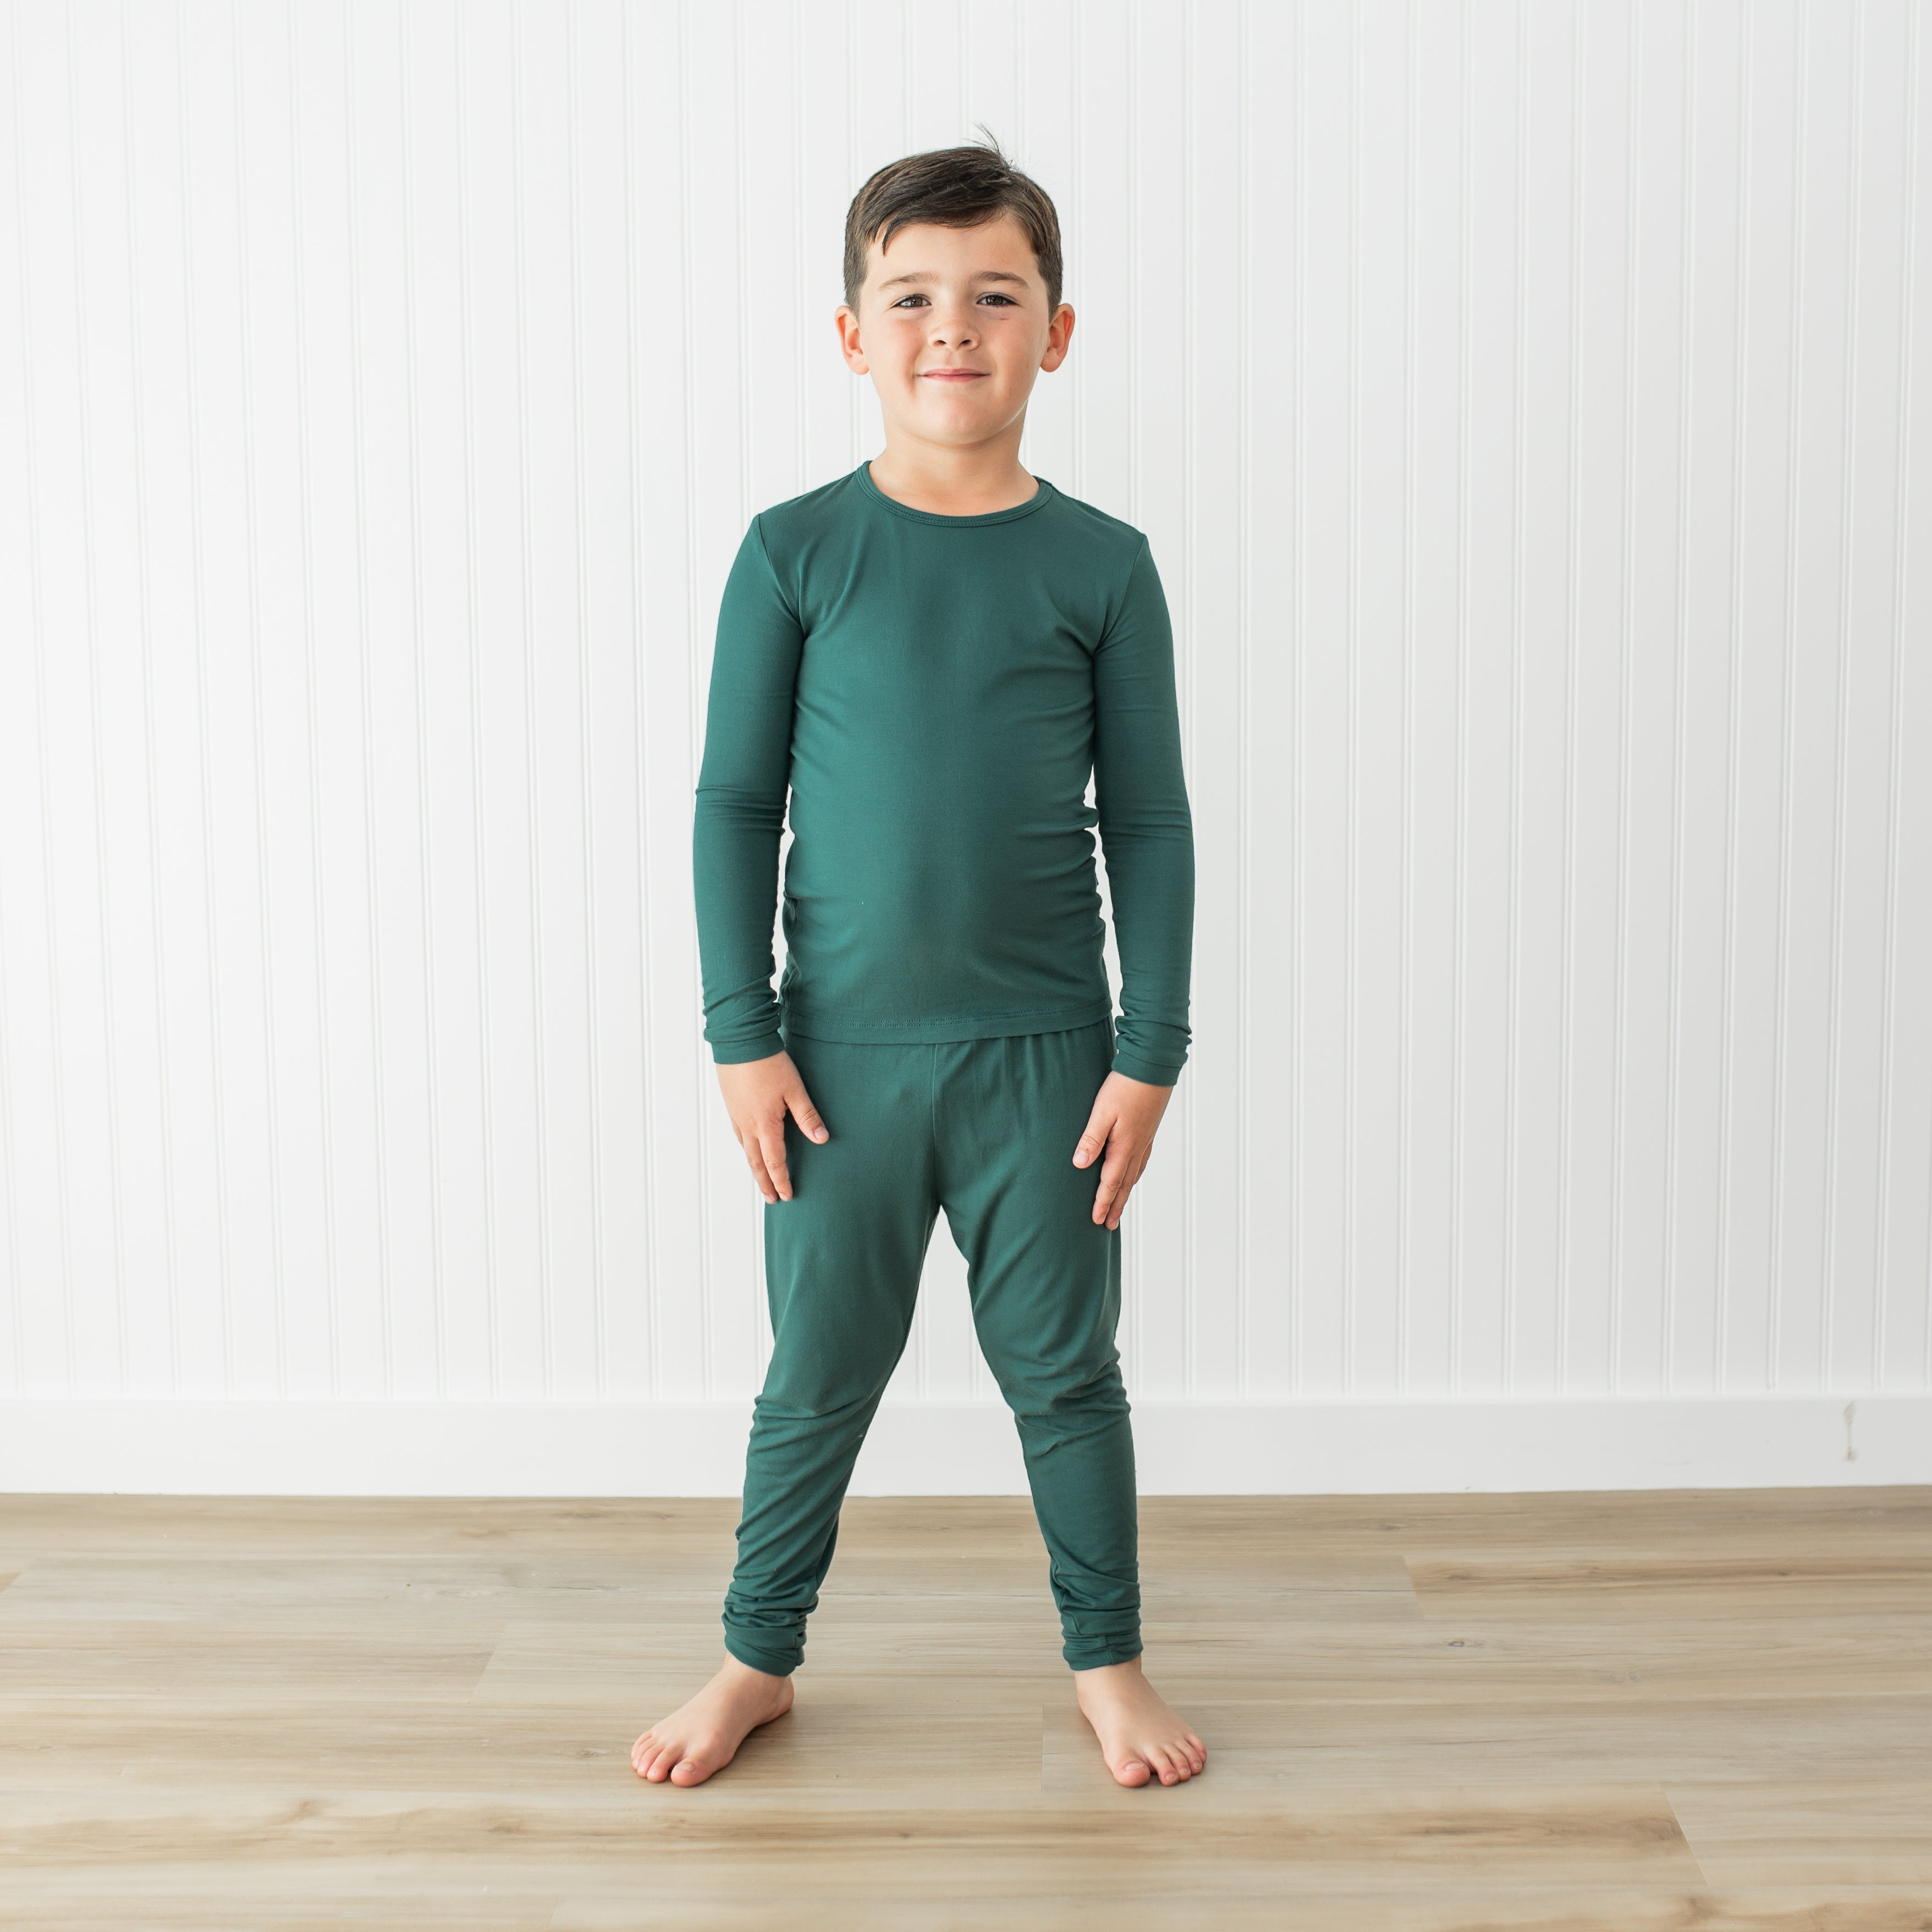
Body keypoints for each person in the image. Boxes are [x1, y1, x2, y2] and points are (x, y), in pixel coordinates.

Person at [632, 136, 1204, 1792]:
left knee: (1066, 1372)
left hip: (1046, 1056)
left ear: (1057, 331)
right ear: (852, 335)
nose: (951, 326)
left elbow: (1149, 821)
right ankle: (757, 1654)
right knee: (817, 1371)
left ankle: (1107, 1659)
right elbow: (737, 802)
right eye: (912, 297)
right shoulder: (793, 551)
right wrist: (742, 1033)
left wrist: (1148, 1047)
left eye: (993, 295)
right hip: (838, 1064)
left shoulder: (1102, 564)